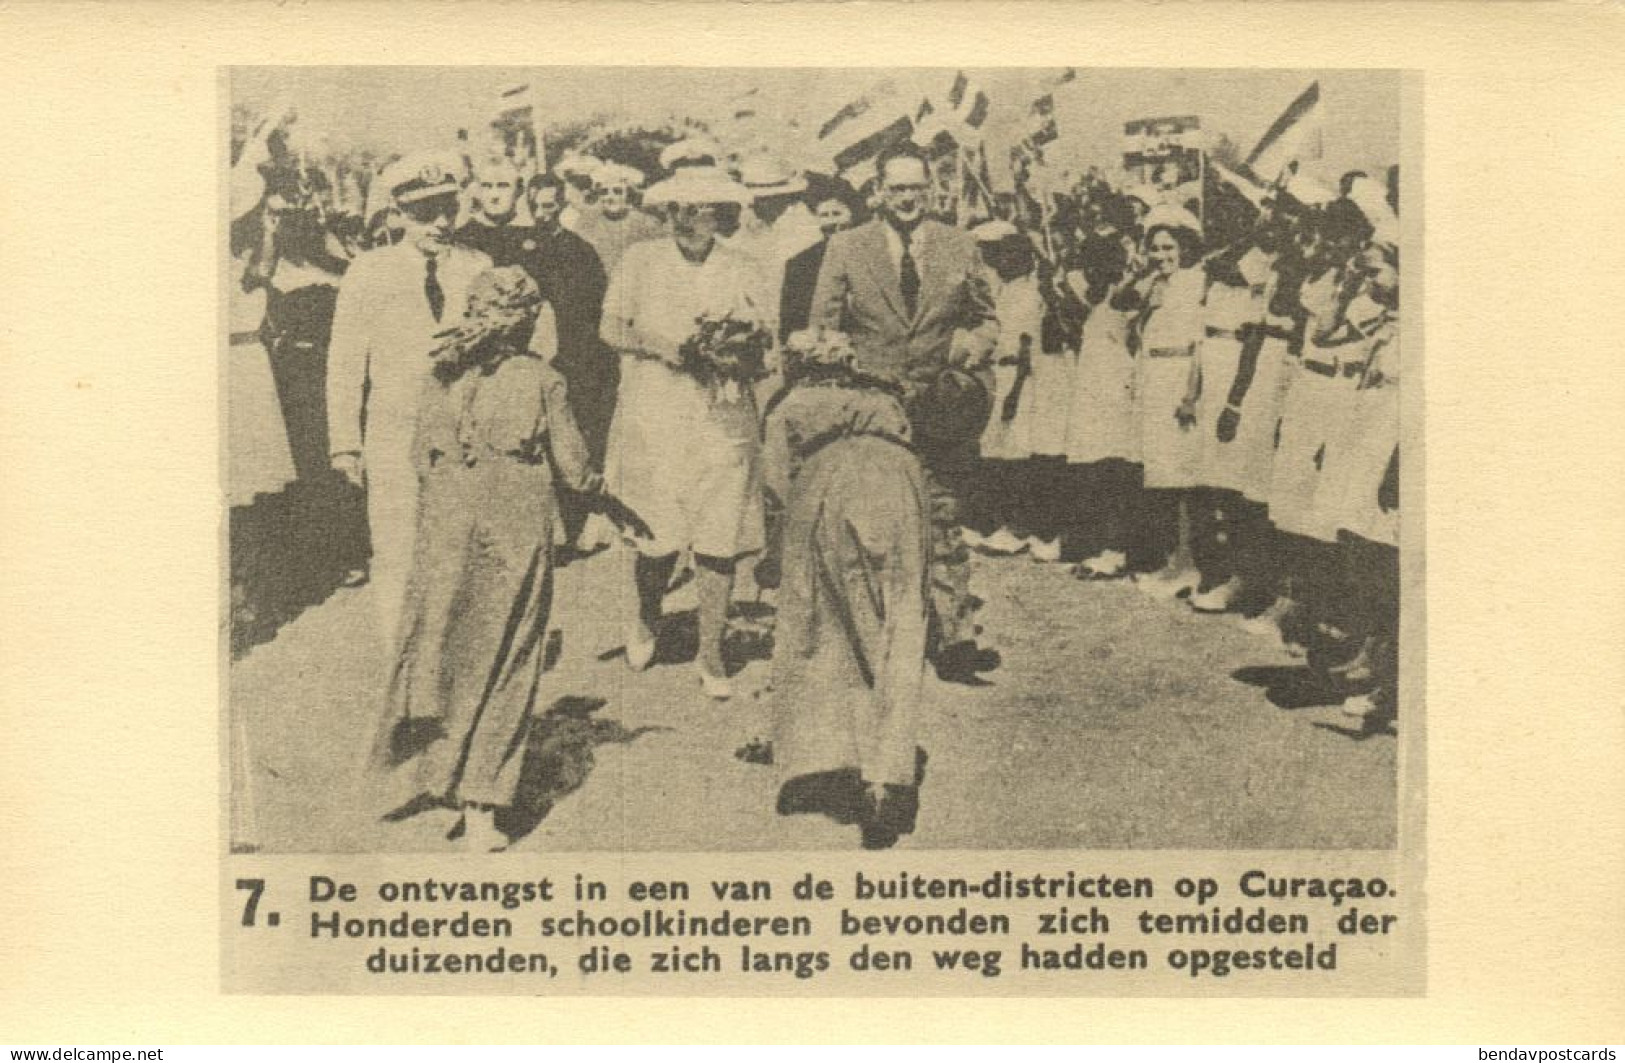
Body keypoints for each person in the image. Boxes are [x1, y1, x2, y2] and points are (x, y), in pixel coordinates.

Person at [376, 266, 598, 851]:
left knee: (444, 648)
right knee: (508, 659)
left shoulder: (438, 375)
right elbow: (575, 470)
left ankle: (431, 775)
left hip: (446, 527)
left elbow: (418, 460)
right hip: (515, 526)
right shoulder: (544, 381)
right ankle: (481, 807)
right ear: (526, 320)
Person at [810, 142, 999, 678]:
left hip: (941, 407)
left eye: (917, 188)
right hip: (872, 409)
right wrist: (844, 365)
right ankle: (879, 635)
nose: (909, 198)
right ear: (879, 191)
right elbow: (821, 329)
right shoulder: (847, 248)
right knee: (876, 522)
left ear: (930, 189)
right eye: (898, 189)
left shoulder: (960, 246)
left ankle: (956, 636)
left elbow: (987, 319)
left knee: (942, 516)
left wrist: (972, 349)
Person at [599, 163, 767, 700]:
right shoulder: (640, 260)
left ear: (721, 216)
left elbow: (765, 337)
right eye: (678, 210)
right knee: (658, 536)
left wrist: (738, 353)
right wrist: (667, 347)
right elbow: (610, 326)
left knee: (719, 535)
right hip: (656, 413)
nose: (688, 220)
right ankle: (647, 614)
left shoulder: (743, 265)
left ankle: (711, 649)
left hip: (723, 414)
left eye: (700, 210)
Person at [763, 329, 931, 849]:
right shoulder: (882, 400)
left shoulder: (789, 407)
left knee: (833, 628)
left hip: (828, 493)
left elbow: (774, 487)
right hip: (899, 487)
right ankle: (887, 778)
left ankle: (840, 756)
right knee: (900, 628)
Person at [327, 152, 493, 650]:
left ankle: (454, 655)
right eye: (425, 213)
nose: (440, 223)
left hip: (464, 430)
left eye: (448, 208)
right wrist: (344, 444)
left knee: (461, 545)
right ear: (397, 213)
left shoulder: (477, 266)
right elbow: (344, 363)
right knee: (397, 547)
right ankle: (401, 661)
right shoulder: (368, 272)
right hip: (394, 431)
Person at [513, 173, 613, 547]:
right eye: (536, 206)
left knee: (573, 439)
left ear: (561, 206)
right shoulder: (521, 250)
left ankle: (578, 522)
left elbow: (595, 310)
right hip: (533, 358)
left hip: (576, 358)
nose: (542, 215)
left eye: (550, 206)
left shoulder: (580, 251)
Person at [1117, 205, 1207, 598]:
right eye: (1154, 248)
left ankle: (1187, 564)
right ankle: (1171, 559)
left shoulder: (1197, 282)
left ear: (1185, 248)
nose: (1161, 256)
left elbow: (1200, 344)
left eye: (1169, 248)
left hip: (1179, 377)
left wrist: (1190, 394)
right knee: (1158, 477)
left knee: (1181, 478)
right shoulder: (1155, 285)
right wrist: (1146, 280)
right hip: (1153, 378)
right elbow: (1122, 306)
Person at [1063, 200, 1142, 579]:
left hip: (1116, 386)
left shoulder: (1124, 293)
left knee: (1114, 469)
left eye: (1099, 262)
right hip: (1091, 386)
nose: (1092, 270)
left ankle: (1117, 549)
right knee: (1092, 469)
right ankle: (1098, 544)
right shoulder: (1091, 297)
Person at [778, 181, 861, 343]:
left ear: (852, 215)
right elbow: (790, 324)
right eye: (824, 215)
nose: (831, 222)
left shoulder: (871, 255)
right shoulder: (799, 264)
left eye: (837, 214)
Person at [574, 162, 662, 278]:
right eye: (604, 192)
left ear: (628, 195)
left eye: (617, 191)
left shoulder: (645, 223)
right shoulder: (587, 224)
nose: (610, 197)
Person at [452, 156, 529, 266]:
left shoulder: (534, 233)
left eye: (503, 186)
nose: (494, 195)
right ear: (478, 190)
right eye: (487, 186)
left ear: (519, 190)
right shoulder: (463, 236)